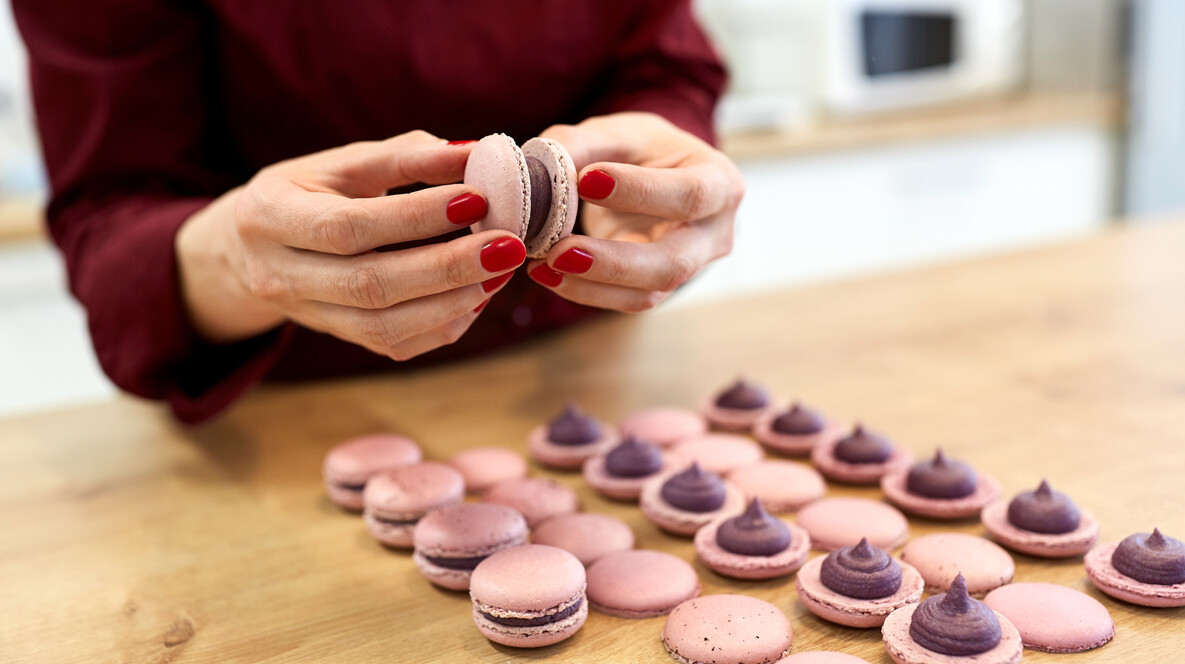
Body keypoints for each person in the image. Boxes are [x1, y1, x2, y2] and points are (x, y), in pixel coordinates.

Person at [13, 0, 744, 423]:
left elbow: (664, 63)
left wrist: (654, 165)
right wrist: (236, 257)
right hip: (293, 418)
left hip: (582, 372)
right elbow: (108, 210)